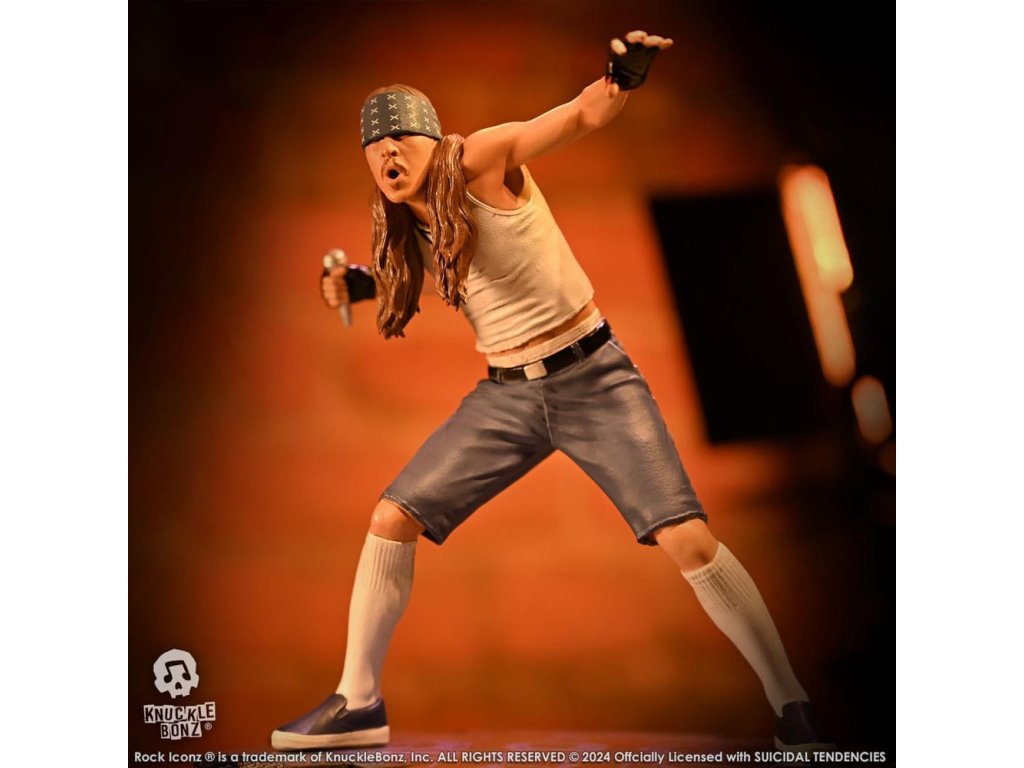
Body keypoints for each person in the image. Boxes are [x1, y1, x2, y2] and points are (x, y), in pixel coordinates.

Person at [271, 30, 827, 753]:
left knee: (687, 536)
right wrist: (355, 283)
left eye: (399, 142)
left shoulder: (481, 159)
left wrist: (620, 78)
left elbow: (575, 117)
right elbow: (416, 275)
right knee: (390, 516)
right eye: (375, 152)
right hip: (507, 396)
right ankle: (358, 700)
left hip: (593, 378)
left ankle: (792, 705)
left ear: (432, 140)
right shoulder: (406, 221)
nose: (388, 159)